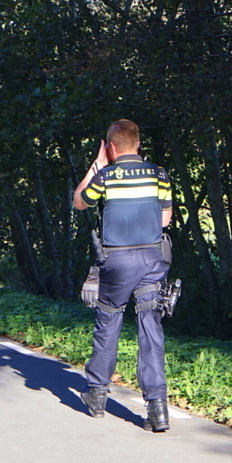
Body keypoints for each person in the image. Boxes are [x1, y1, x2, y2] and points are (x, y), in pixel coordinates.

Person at [73, 119, 174, 432]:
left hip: (117, 262)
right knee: (150, 329)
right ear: (138, 143)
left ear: (111, 147)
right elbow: (165, 219)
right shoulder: (159, 174)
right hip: (152, 260)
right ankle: (157, 410)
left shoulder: (106, 174)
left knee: (109, 322)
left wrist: (97, 164)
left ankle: (98, 397)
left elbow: (79, 201)